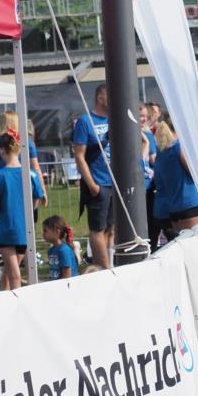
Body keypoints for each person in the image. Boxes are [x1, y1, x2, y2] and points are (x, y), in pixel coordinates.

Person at [0, 131, 45, 290]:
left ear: (1, 150)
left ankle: (13, 306)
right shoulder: (31, 174)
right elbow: (35, 203)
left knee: (14, 274)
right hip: (25, 229)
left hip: (6, 230)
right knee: (13, 271)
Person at [73, 84, 115, 269]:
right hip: (98, 183)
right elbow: (79, 154)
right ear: (100, 97)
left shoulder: (113, 119)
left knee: (110, 228)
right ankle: (106, 270)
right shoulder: (85, 121)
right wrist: (92, 185)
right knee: (97, 229)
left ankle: (106, 265)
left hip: (113, 182)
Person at [0, 110, 47, 208]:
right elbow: (36, 167)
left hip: (3, 186)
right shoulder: (26, 142)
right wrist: (43, 190)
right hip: (25, 185)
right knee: (30, 218)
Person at [153, 117, 198, 232]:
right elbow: (194, 173)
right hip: (189, 203)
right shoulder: (179, 147)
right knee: (193, 244)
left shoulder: (161, 152)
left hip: (173, 207)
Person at [43, 215, 79, 280]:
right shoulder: (51, 250)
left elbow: (66, 275)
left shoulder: (64, 250)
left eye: (45, 231)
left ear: (57, 231)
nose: (43, 234)